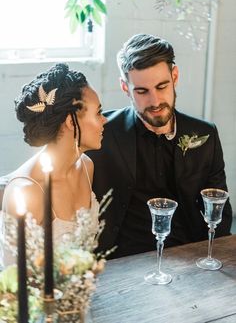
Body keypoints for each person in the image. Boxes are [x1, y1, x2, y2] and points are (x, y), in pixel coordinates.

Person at [88, 33, 233, 258]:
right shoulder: (102, 132)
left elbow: (219, 210)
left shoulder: (206, 134)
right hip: (121, 259)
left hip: (189, 254)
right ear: (125, 88)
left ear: (174, 76)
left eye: (162, 86)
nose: (155, 102)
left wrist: (218, 261)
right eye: (142, 91)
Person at [0, 63, 106, 266]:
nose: (104, 120)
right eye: (98, 113)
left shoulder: (86, 166)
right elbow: (13, 277)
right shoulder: (28, 191)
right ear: (70, 122)